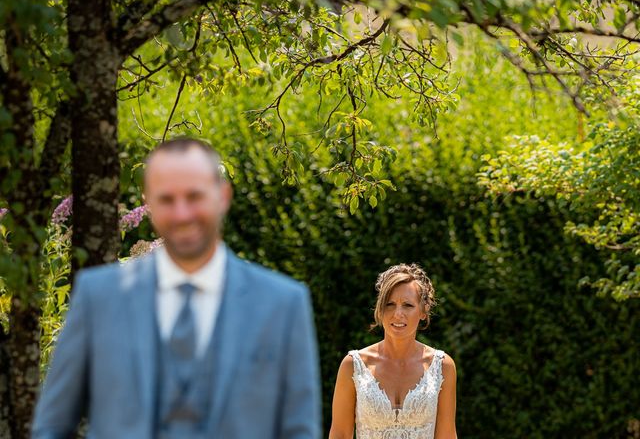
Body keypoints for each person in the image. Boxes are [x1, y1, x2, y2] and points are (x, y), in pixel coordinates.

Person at [32, 138, 321, 439]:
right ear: (149, 202)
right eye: (167, 199)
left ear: (222, 196)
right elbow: (51, 426)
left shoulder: (283, 304)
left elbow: (299, 430)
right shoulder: (99, 297)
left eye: (194, 197)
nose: (182, 214)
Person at [329, 264, 457, 439]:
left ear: (423, 311)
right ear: (380, 310)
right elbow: (340, 434)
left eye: (407, 305)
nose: (398, 314)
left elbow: (447, 436)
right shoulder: (353, 365)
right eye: (389, 304)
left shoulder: (442, 366)